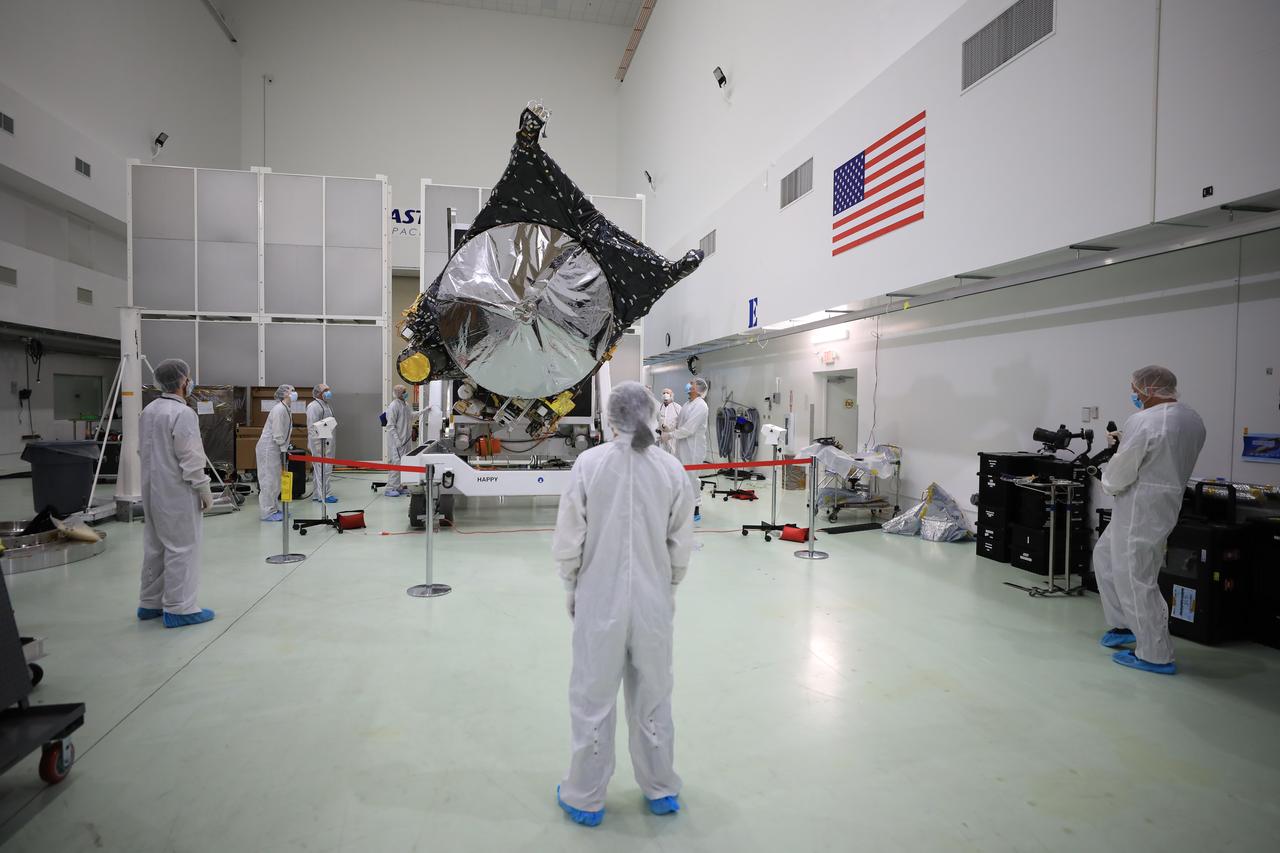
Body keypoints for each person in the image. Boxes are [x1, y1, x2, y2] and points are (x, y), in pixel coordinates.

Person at [552, 381, 695, 828]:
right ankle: (661, 789)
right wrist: (667, 585)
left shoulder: (589, 464)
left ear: (610, 418)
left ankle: (585, 796)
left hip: (599, 600)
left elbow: (569, 536)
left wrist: (572, 584)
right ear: (651, 414)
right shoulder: (671, 470)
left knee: (592, 698)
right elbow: (680, 542)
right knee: (653, 697)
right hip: (652, 602)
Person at [1094, 365, 1205, 675]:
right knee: (1103, 556)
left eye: (1136, 388)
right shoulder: (1192, 419)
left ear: (1149, 390)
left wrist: (1107, 481)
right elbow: (1160, 453)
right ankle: (1123, 625)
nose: (1134, 394)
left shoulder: (1143, 421)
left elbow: (1122, 470)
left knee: (1135, 576)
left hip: (1138, 507)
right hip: (1164, 503)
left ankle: (1155, 653)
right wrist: (1125, 440)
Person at [137, 358, 215, 628]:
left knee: (156, 545)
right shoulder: (183, 414)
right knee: (182, 547)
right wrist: (203, 487)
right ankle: (180, 608)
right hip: (177, 490)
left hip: (151, 488)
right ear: (183, 381)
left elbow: (142, 450)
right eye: (189, 377)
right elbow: (191, 456)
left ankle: (150, 603)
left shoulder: (149, 410)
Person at [665, 377, 709, 523]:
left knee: (691, 478)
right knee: (680, 477)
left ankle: (695, 509)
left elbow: (689, 429)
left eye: (692, 384)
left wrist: (670, 435)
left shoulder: (701, 406)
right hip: (682, 446)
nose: (689, 385)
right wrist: (668, 426)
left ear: (697, 389)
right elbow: (679, 421)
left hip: (693, 448)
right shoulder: (687, 403)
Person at [256, 384, 296, 521]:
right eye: (291, 391)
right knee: (268, 480)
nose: (294, 393)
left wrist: (284, 448)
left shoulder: (286, 408)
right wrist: (283, 449)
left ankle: (274, 508)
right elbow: (278, 433)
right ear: (285, 394)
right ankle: (267, 512)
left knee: (276, 480)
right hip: (269, 449)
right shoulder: (279, 409)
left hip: (277, 448)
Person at [383, 384, 422, 497]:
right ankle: (390, 488)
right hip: (397, 442)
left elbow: (410, 415)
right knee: (396, 464)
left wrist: (423, 411)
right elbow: (390, 426)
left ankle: (400, 486)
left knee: (403, 464)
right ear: (399, 393)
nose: (406, 393)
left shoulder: (405, 404)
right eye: (404, 391)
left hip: (406, 440)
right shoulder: (393, 406)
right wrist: (397, 440)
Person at [307, 383, 337, 504]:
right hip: (320, 444)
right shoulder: (313, 406)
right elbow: (312, 427)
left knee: (322, 469)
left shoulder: (326, 405)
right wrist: (318, 446)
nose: (328, 392)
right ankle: (324, 494)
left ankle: (317, 494)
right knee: (323, 469)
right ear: (318, 393)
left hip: (327, 442)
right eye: (325, 390)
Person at [657, 388, 681, 453]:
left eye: (667, 393)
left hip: (672, 437)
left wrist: (671, 429)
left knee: (673, 454)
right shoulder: (660, 407)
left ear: (672, 395)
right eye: (664, 393)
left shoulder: (677, 407)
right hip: (662, 435)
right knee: (662, 454)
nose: (665, 394)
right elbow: (657, 420)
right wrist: (659, 428)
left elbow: (681, 422)